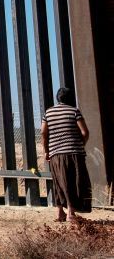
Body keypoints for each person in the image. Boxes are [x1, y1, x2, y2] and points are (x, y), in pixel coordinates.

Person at [41, 87, 91, 222]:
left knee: (59, 181)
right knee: (73, 181)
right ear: (71, 98)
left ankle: (59, 213)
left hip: (55, 153)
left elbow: (43, 133)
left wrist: (46, 150)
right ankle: (71, 213)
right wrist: (81, 144)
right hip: (74, 153)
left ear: (58, 98)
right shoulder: (74, 111)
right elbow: (85, 132)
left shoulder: (49, 112)